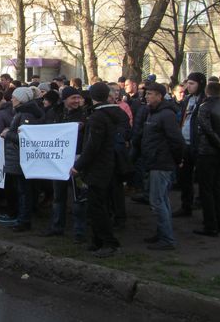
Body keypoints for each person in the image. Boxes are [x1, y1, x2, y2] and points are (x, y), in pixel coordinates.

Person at [72, 82, 125, 257]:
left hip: (98, 167)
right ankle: (98, 240)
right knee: (98, 205)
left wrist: (78, 166)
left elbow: (93, 145)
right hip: (107, 164)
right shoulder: (112, 113)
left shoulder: (98, 117)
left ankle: (109, 242)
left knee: (97, 207)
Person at [135, 82, 185, 250]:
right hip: (154, 161)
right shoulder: (152, 113)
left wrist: (177, 160)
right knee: (162, 199)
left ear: (160, 96)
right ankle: (162, 232)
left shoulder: (166, 115)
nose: (147, 96)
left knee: (157, 201)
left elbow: (176, 140)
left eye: (150, 94)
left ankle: (167, 239)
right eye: (147, 93)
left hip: (161, 163)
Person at [41, 86, 88, 241]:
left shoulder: (84, 115)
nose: (77, 101)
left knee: (78, 197)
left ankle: (79, 232)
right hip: (58, 160)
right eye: (73, 98)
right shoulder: (53, 112)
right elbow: (43, 129)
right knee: (58, 196)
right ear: (65, 99)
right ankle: (57, 227)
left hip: (76, 160)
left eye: (78, 98)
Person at [193, 81, 220, 236]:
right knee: (218, 189)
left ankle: (210, 225)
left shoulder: (205, 107)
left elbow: (207, 130)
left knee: (206, 190)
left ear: (207, 92)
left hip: (207, 153)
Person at [0, 87, 44, 230]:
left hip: (21, 158)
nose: (12, 99)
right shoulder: (22, 112)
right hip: (18, 157)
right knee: (22, 190)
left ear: (21, 99)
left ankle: (23, 220)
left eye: (14, 97)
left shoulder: (26, 114)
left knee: (24, 191)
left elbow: (25, 138)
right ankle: (21, 218)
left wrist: (7, 134)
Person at [175, 72, 207, 217]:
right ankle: (186, 206)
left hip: (198, 145)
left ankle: (205, 208)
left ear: (201, 84)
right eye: (188, 83)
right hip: (185, 144)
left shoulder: (205, 101)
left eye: (192, 83)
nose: (188, 86)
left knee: (203, 179)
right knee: (185, 178)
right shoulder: (187, 99)